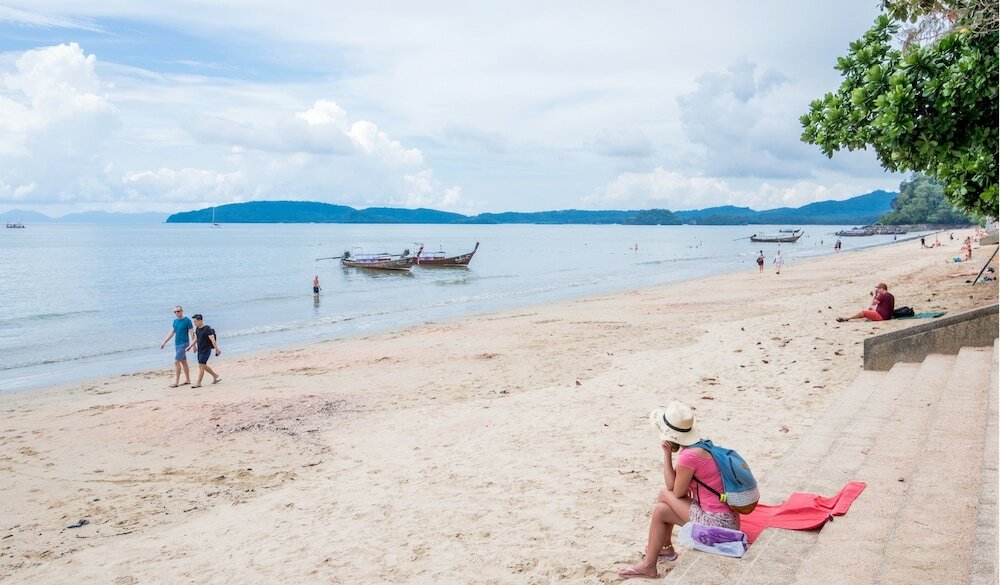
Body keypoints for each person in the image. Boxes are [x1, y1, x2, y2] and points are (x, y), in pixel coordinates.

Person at [618, 402, 740, 579]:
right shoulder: (701, 446)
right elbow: (676, 489)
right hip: (729, 519)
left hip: (717, 523)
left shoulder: (689, 457)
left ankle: (653, 561)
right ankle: (661, 554)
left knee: (663, 496)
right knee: (660, 510)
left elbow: (673, 491)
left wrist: (666, 455)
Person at [160, 305, 195, 387]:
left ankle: (176, 382)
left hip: (184, 344)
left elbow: (192, 333)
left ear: (182, 311)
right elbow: (172, 333)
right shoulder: (175, 321)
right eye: (175, 312)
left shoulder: (187, 321)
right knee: (183, 362)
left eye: (178, 311)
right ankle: (188, 380)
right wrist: (164, 342)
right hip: (177, 344)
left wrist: (193, 345)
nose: (176, 313)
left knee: (176, 362)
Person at [186, 314, 221, 388]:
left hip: (206, 350)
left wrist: (217, 349)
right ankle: (215, 376)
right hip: (200, 350)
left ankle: (198, 383)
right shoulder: (197, 329)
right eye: (193, 322)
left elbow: (213, 340)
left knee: (201, 366)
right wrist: (190, 346)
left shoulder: (207, 328)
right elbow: (196, 339)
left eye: (195, 322)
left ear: (200, 320)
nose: (194, 323)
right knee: (203, 366)